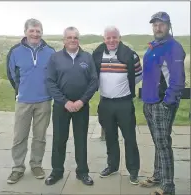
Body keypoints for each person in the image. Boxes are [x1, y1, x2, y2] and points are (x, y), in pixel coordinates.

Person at [45, 26, 98, 186]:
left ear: (78, 40)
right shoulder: (55, 58)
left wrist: (82, 101)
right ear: (64, 40)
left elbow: (94, 81)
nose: (73, 40)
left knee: (81, 139)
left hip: (82, 106)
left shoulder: (87, 57)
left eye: (75, 37)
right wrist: (65, 102)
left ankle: (82, 172)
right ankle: (57, 172)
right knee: (59, 139)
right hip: (62, 106)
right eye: (69, 37)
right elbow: (50, 82)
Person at [140, 12, 186, 195]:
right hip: (149, 101)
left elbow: (178, 79)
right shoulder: (154, 46)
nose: (157, 27)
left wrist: (167, 102)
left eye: (161, 24)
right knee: (158, 142)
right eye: (155, 24)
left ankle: (168, 187)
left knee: (163, 144)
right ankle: (158, 176)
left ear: (168, 26)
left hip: (162, 103)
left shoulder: (173, 47)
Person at [6, 18, 55, 184]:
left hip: (44, 101)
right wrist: (21, 91)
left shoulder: (50, 51)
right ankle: (17, 168)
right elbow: (12, 75)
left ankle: (36, 164)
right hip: (23, 101)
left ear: (42, 32)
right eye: (32, 31)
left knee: (40, 136)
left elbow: (53, 75)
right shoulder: (15, 51)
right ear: (25, 32)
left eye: (38, 31)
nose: (35, 34)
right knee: (19, 136)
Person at [92, 26, 142, 185]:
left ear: (119, 38)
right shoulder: (98, 53)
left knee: (130, 138)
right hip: (105, 102)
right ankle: (112, 166)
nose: (111, 40)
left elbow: (138, 76)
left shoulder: (130, 55)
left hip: (124, 103)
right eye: (108, 37)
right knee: (110, 137)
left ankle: (133, 171)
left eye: (114, 37)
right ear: (104, 39)